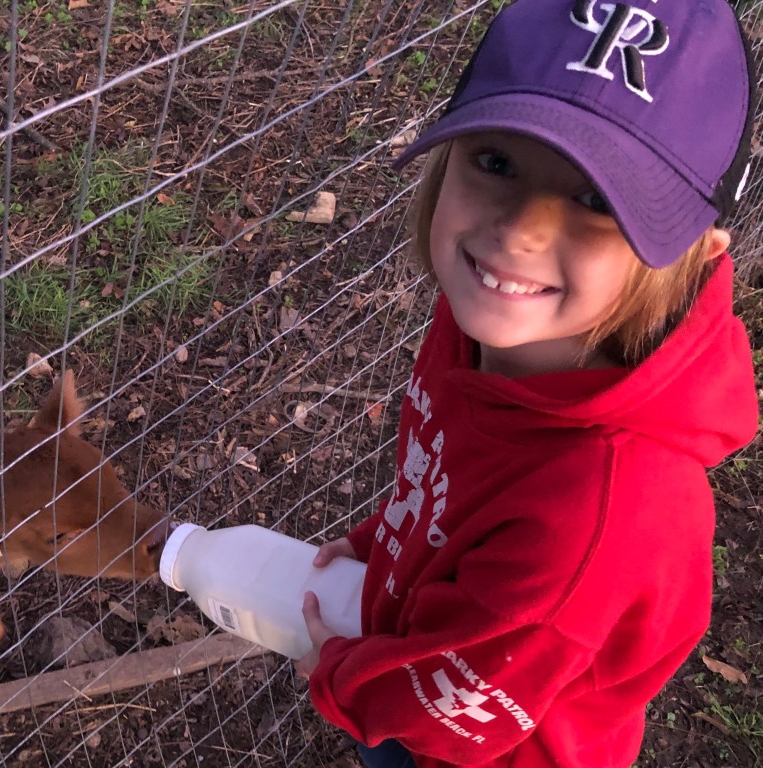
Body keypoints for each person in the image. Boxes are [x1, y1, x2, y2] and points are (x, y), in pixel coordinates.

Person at [292, 0, 760, 766]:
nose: (520, 232)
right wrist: (392, 539)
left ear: (698, 253)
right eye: (498, 162)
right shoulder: (497, 325)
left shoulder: (600, 516)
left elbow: (459, 716)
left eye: (595, 201)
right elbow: (464, 477)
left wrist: (345, 683)